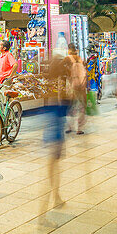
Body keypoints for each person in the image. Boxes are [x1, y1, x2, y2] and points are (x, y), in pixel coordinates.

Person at [40, 53, 70, 212]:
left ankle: (56, 196)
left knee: (52, 167)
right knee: (52, 167)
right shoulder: (60, 89)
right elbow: (64, 109)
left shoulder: (50, 87)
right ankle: (50, 203)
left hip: (50, 130)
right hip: (56, 131)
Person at [66, 44, 86, 134]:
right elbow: (84, 73)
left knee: (70, 106)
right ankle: (79, 128)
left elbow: (62, 71)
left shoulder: (67, 58)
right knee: (81, 106)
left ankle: (70, 127)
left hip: (71, 85)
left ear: (69, 50)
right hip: (81, 85)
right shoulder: (79, 58)